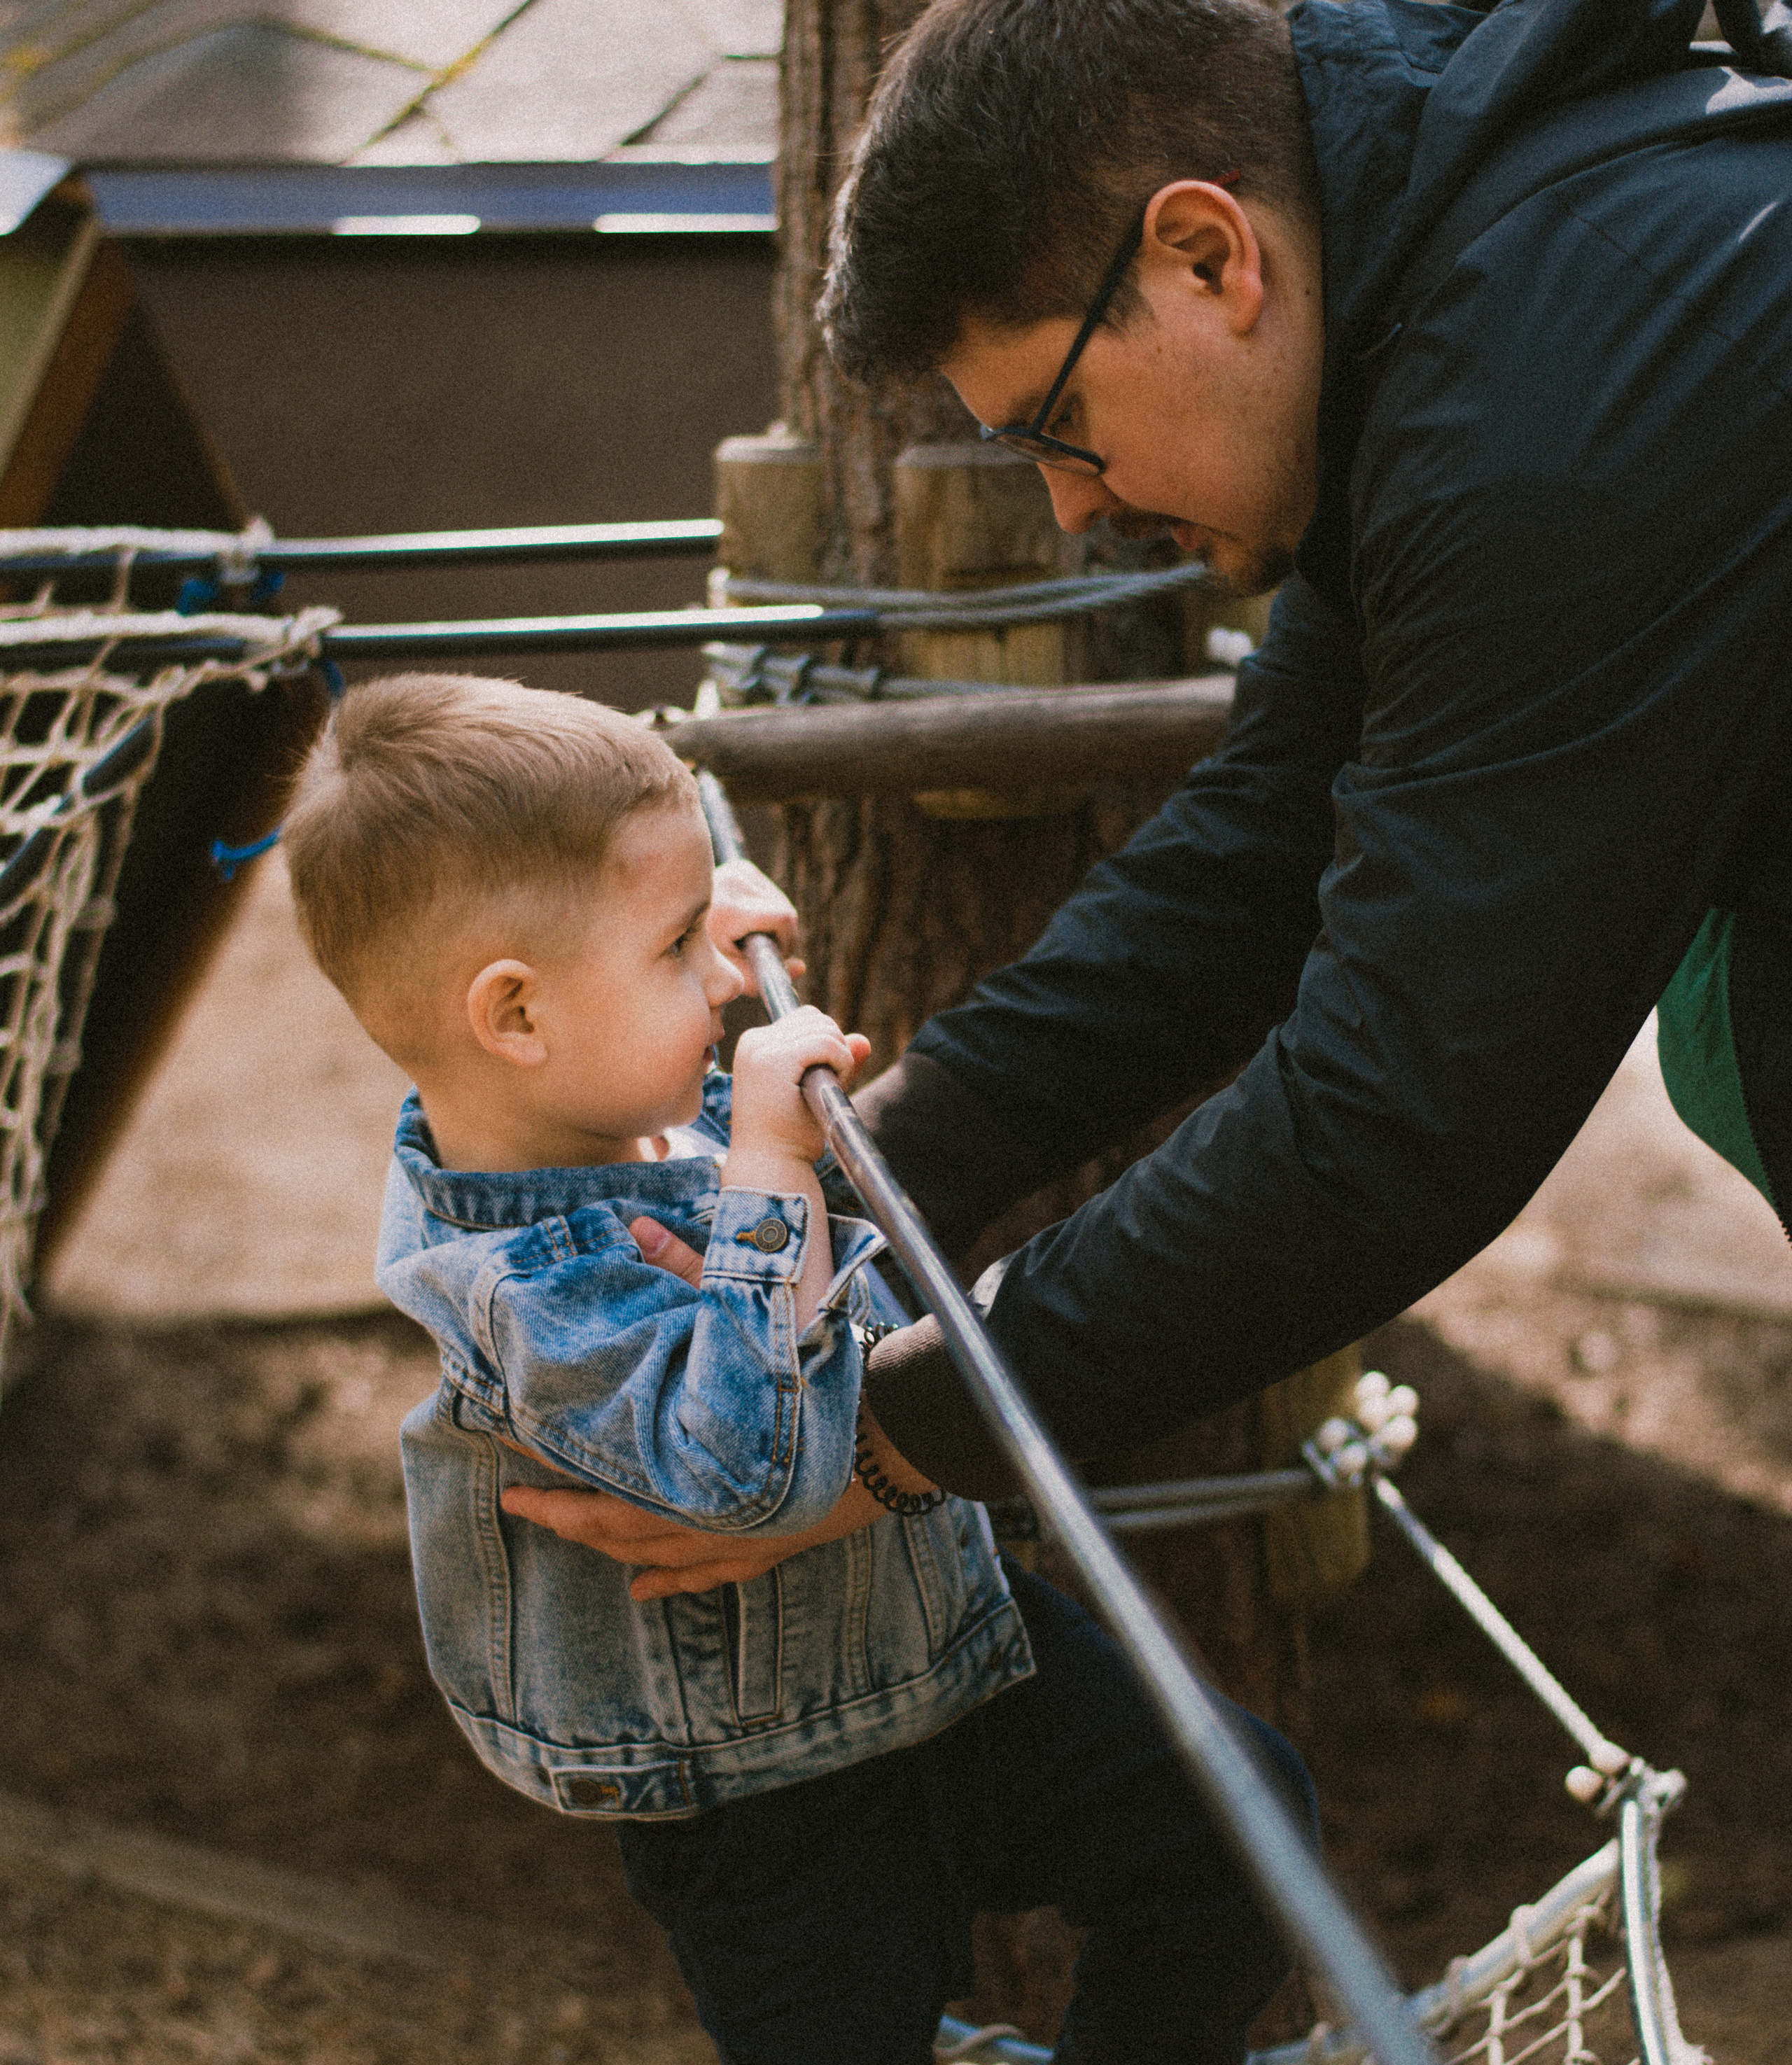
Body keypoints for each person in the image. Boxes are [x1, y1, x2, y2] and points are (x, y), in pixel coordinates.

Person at [281, 673, 1315, 2065]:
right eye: (680, 947)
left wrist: (703, 939)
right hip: (762, 1803)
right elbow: (748, 1469)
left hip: (947, 1660)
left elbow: (684, 1079)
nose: (728, 976)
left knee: (1236, 1812)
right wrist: (764, 1153)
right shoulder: (518, 1287)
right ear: (513, 1018)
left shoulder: (600, 1096)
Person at [505, 0, 1792, 1576]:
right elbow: (1262, 845)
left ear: (1204, 255)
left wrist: (885, 1437)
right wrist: (863, 1165)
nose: (1069, 511)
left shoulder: (1560, 398)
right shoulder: (1462, 303)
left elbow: (1401, 1110)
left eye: (1062, 428)